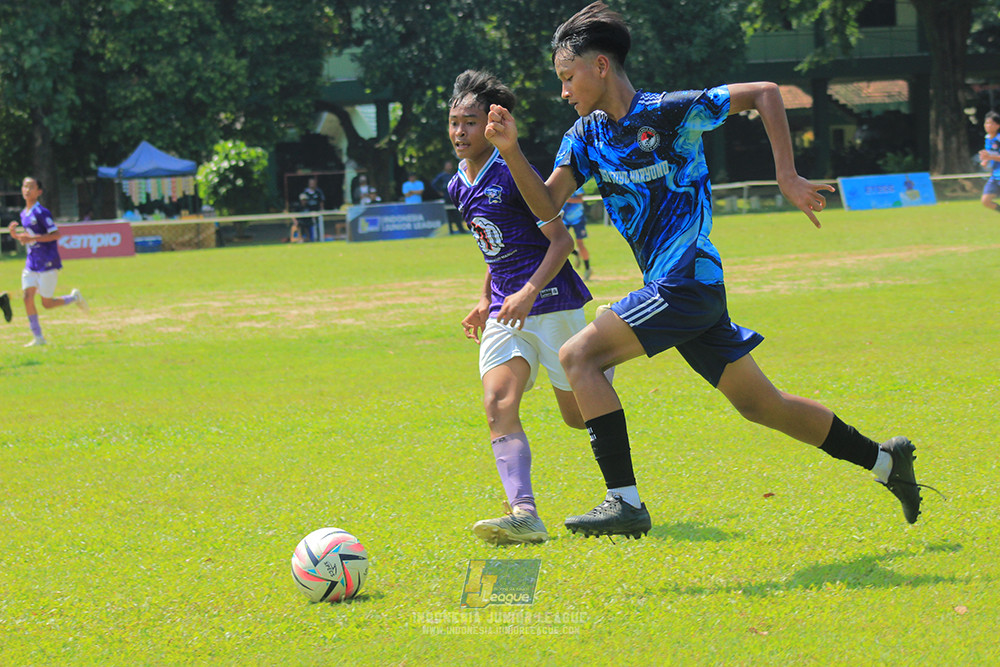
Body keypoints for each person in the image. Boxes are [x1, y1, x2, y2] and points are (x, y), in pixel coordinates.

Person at [484, 1, 931, 539]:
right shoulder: (584, 138)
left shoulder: (670, 112)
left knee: (578, 356)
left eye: (567, 77)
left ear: (600, 66)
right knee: (762, 405)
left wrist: (786, 175)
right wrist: (510, 153)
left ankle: (624, 502)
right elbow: (547, 206)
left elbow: (764, 92)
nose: (563, 91)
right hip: (677, 292)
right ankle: (886, 464)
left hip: (689, 278)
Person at [447, 69, 594, 545]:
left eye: (469, 122)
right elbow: (494, 245)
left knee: (578, 416)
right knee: (497, 402)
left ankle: (602, 360)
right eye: (454, 122)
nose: (460, 132)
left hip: (552, 302)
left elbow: (560, 241)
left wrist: (528, 290)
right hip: (505, 314)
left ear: (492, 126)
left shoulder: (514, 174)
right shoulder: (458, 186)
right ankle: (524, 512)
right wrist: (485, 298)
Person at [7, 177, 88, 346]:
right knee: (27, 297)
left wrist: (32, 237)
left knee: (47, 303)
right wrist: (16, 235)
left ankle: (74, 298)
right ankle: (38, 338)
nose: (27, 190)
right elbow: (29, 237)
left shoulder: (41, 212)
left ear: (39, 192)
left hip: (48, 262)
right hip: (32, 262)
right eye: (24, 186)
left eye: (31, 187)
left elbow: (56, 234)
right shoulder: (24, 213)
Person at [562, 186, 592, 279]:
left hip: (577, 219)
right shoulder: (559, 186)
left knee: (580, 244)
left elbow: (580, 199)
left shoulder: (575, 185)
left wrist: (566, 199)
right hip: (564, 219)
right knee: (561, 244)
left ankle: (587, 269)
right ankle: (575, 253)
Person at [978, 111, 1000, 213]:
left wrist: (989, 157)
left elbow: (992, 155)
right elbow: (990, 154)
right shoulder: (988, 138)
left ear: (997, 125)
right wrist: (985, 160)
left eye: (990, 123)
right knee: (985, 201)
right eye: (986, 123)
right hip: (995, 175)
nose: (987, 126)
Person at [297, 176, 325, 242]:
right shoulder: (305, 192)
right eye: (310, 183)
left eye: (313, 183)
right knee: (306, 225)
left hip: (317, 212)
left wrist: (322, 210)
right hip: (308, 213)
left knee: (318, 226)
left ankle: (319, 238)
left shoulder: (318, 192)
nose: (312, 184)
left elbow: (321, 201)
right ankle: (308, 238)